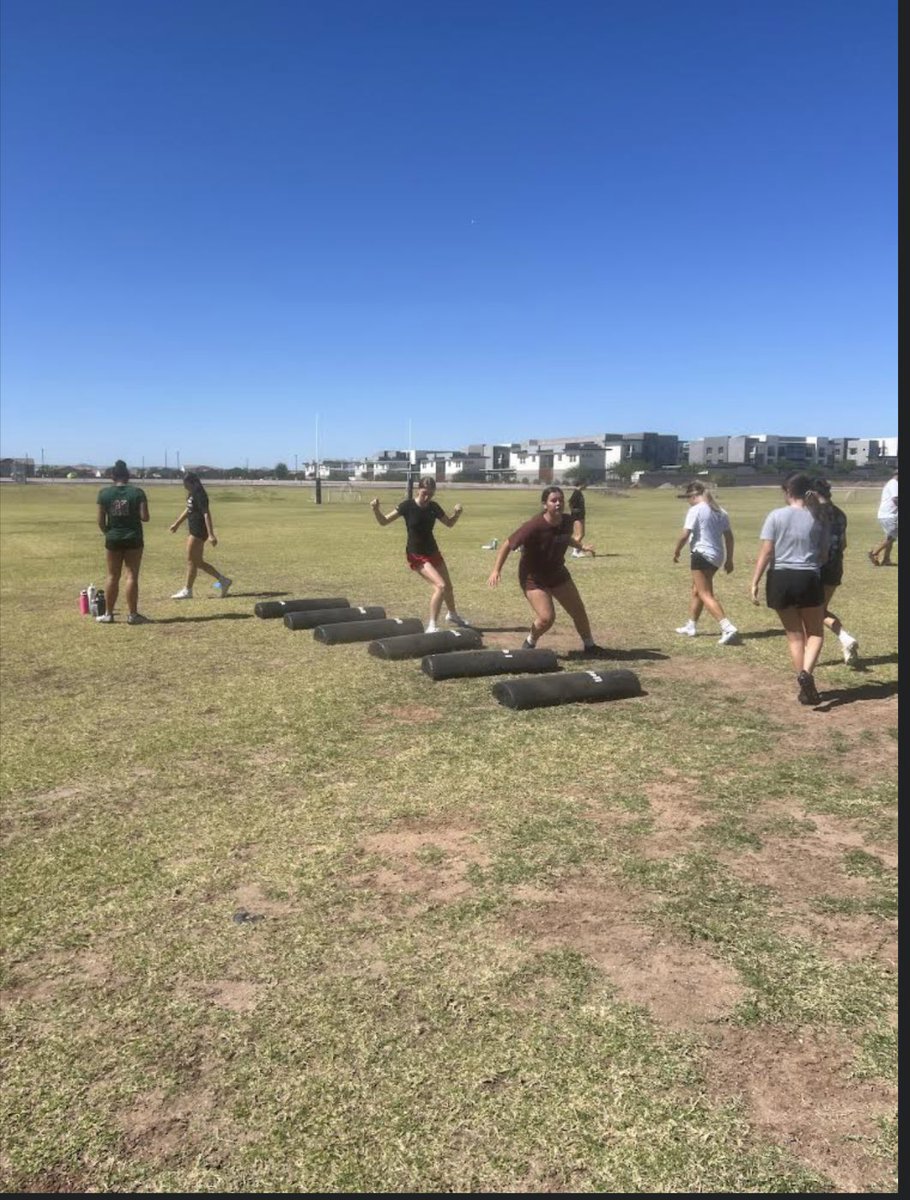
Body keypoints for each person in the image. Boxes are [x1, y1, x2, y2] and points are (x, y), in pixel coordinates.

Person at [487, 485, 605, 655]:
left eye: (561, 500)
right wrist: (496, 570)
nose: (558, 503)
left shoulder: (566, 521)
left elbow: (565, 538)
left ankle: (590, 645)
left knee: (578, 610)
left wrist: (581, 546)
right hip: (533, 578)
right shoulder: (534, 526)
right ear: (545, 504)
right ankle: (530, 641)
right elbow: (507, 544)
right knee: (546, 619)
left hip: (557, 573)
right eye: (553, 500)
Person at [750, 472, 828, 707]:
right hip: (808, 577)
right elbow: (824, 555)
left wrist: (754, 581)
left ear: (787, 492)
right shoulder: (819, 517)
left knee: (794, 636)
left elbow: (767, 552)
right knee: (815, 633)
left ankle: (803, 683)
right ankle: (806, 674)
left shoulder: (775, 515)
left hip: (779, 579)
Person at [370, 476, 469, 633]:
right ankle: (432, 626)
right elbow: (383, 521)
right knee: (441, 586)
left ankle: (452, 614)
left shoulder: (434, 507)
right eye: (424, 493)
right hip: (416, 554)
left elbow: (449, 524)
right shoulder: (407, 506)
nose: (427, 497)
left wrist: (457, 514)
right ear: (418, 490)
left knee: (449, 587)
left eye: (431, 494)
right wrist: (376, 510)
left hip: (433, 550)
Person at [672, 481, 739, 644]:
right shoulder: (720, 511)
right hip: (717, 556)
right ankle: (691, 625)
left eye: (689, 497)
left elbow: (685, 534)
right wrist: (729, 559)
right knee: (697, 590)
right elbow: (729, 537)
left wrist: (677, 550)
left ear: (695, 496)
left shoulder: (695, 510)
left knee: (705, 593)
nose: (688, 501)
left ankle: (727, 627)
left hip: (701, 554)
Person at [95, 459, 150, 624]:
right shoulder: (138, 493)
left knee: (112, 576)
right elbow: (145, 517)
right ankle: (133, 615)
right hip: (133, 538)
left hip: (113, 538)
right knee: (131, 576)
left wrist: (109, 533)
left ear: (112, 476)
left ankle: (108, 614)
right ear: (128, 476)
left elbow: (100, 521)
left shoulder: (104, 494)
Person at [812, 477, 859, 665]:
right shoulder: (841, 514)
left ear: (814, 494)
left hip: (816, 567)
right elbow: (844, 543)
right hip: (835, 566)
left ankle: (811, 653)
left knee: (812, 611)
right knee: (820, 610)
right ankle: (845, 639)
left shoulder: (814, 513)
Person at [169, 473, 232, 599]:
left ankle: (188, 590)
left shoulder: (200, 494)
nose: (184, 487)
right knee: (198, 562)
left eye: (185, 484)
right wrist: (177, 524)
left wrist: (211, 535)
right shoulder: (192, 493)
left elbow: (206, 514)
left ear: (192, 482)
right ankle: (223, 581)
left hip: (198, 531)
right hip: (194, 529)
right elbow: (188, 509)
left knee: (191, 561)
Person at [869, 468, 898, 566]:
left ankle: (886, 559)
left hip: (886, 514)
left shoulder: (892, 483)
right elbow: (895, 499)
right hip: (889, 515)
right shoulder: (894, 484)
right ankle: (874, 553)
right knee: (892, 537)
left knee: (890, 537)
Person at [567, 480, 591, 558]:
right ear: (581, 484)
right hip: (577, 516)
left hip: (581, 516)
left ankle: (577, 551)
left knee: (581, 534)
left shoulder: (579, 493)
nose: (586, 487)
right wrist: (573, 510)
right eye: (585, 485)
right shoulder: (576, 493)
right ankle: (575, 552)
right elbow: (570, 502)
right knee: (580, 534)